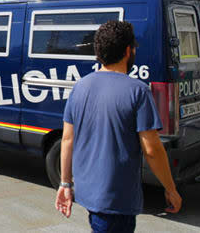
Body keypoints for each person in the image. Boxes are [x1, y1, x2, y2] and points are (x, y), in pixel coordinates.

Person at [56, 20, 181, 230]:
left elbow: (68, 140)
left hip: (90, 195)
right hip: (117, 200)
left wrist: (65, 184)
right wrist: (170, 188)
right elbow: (152, 149)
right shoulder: (138, 91)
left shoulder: (80, 87)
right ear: (127, 51)